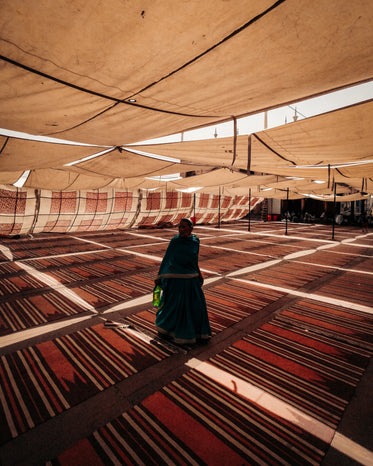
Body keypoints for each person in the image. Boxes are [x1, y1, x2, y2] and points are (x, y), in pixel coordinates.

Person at [154, 218, 211, 345]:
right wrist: (161, 276)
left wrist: (199, 274)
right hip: (176, 279)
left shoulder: (195, 241)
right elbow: (167, 258)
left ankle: (195, 333)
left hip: (191, 279)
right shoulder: (175, 241)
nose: (181, 229)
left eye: (184, 227)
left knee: (195, 306)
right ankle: (168, 329)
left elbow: (194, 259)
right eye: (180, 227)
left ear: (191, 228)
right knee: (174, 306)